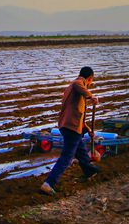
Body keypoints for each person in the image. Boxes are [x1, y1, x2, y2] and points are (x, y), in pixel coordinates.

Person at [40, 66, 100, 195]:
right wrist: (91, 97)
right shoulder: (78, 84)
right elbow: (79, 85)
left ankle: (90, 171)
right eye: (91, 81)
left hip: (69, 125)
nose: (89, 84)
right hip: (71, 127)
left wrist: (88, 129)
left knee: (81, 151)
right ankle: (48, 183)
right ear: (89, 79)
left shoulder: (73, 90)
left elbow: (77, 114)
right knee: (67, 156)